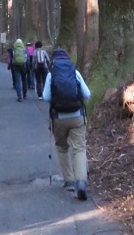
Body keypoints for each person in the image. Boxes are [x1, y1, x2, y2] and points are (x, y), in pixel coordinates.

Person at [42, 47, 91, 200]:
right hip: (77, 116)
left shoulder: (51, 74)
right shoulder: (74, 72)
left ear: (54, 60)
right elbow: (87, 94)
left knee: (62, 147)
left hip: (59, 118)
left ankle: (69, 181)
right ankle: (81, 182)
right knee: (79, 149)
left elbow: (45, 97)